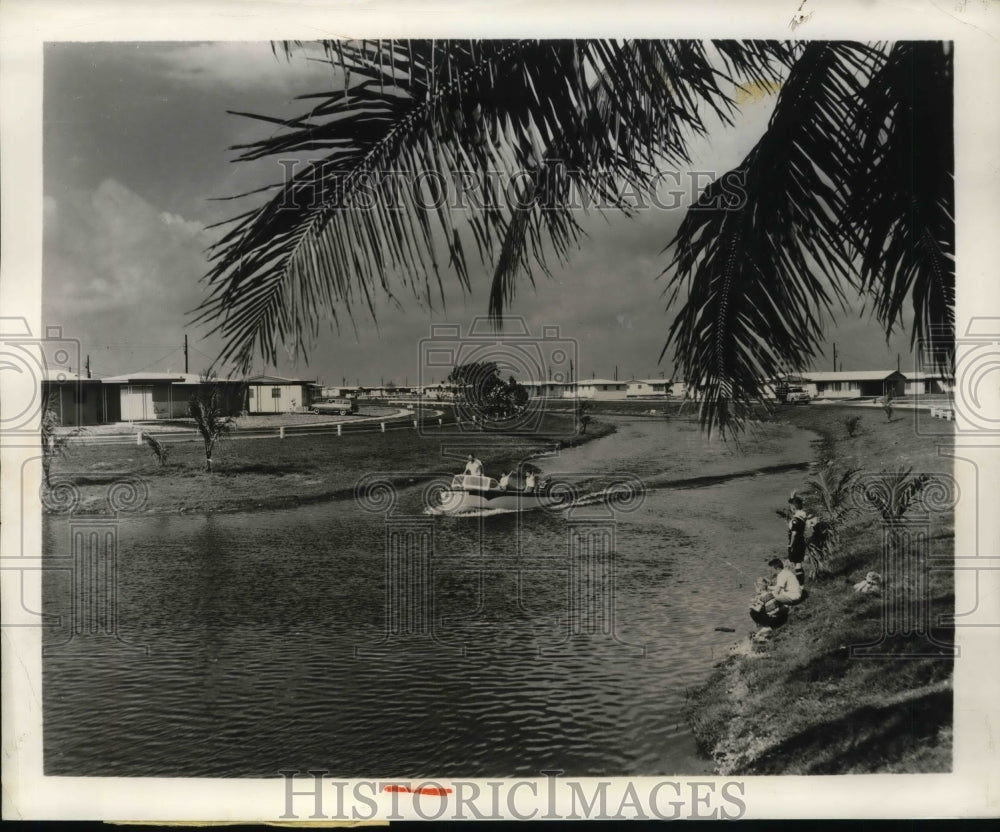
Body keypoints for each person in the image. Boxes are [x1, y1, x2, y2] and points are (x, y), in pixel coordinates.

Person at [787, 493, 809, 585]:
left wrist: (791, 544)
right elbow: (796, 508)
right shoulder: (803, 515)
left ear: (793, 508)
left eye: (791, 506)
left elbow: (794, 533)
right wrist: (792, 498)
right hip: (802, 542)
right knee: (799, 562)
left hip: (796, 543)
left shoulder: (795, 520)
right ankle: (801, 584)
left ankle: (800, 584)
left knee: (797, 564)